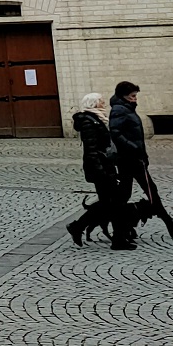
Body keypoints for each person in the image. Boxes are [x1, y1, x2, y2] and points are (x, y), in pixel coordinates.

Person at [109, 80, 173, 238]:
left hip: (134, 158)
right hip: (129, 159)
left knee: (129, 193)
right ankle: (116, 225)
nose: (135, 99)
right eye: (133, 96)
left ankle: (167, 223)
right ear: (124, 96)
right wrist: (133, 148)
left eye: (135, 96)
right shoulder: (120, 110)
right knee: (146, 192)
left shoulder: (126, 108)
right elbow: (116, 133)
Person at [67, 92, 135, 249]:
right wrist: (102, 171)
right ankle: (118, 240)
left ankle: (77, 227)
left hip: (105, 166)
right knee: (114, 203)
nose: (104, 104)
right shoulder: (88, 121)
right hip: (100, 169)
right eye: (101, 102)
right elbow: (91, 150)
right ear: (94, 104)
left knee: (107, 204)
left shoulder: (98, 119)